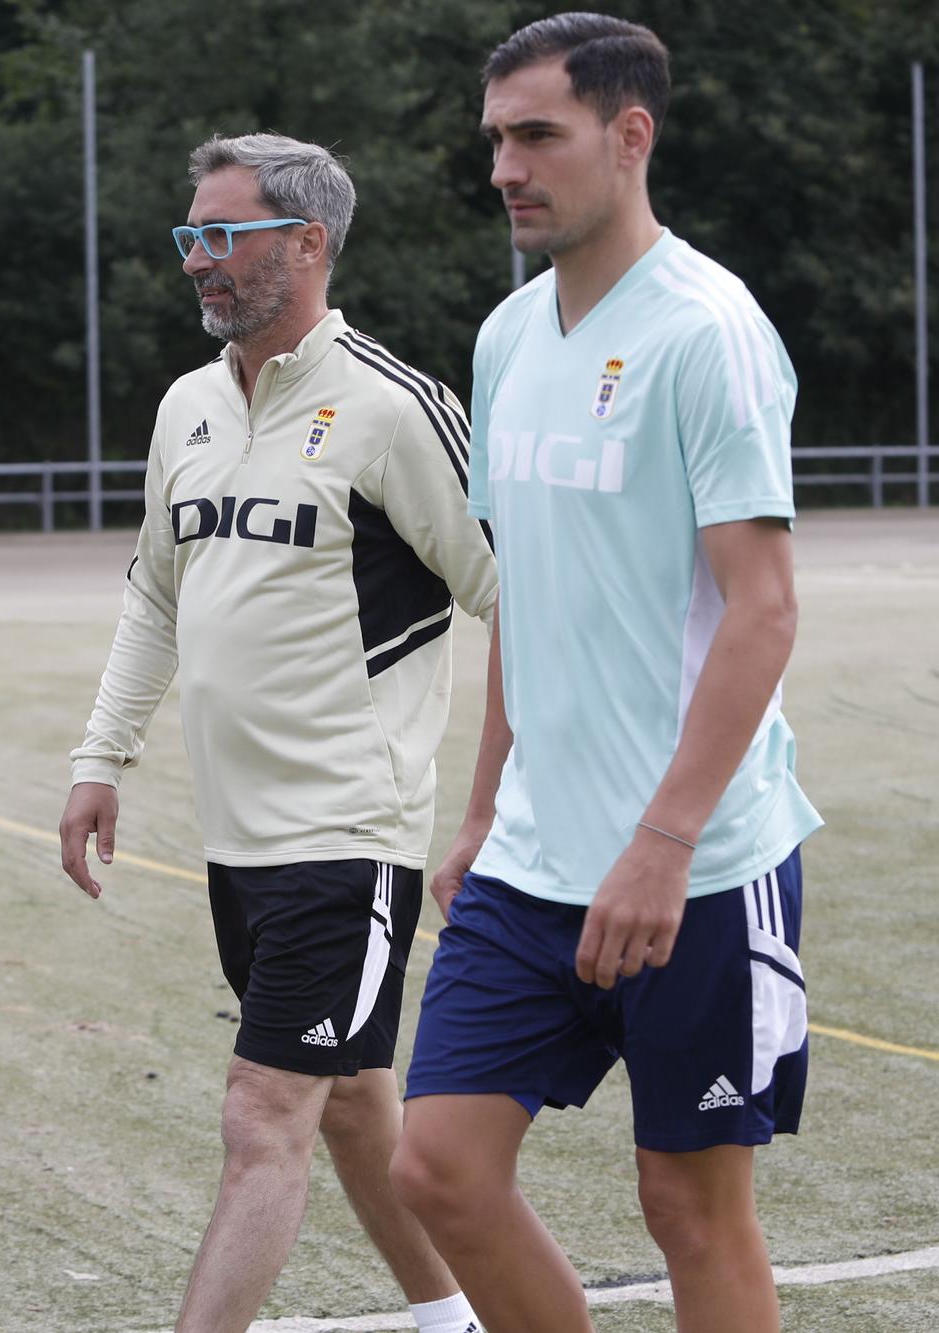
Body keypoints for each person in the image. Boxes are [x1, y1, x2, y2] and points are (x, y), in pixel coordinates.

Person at [389, 16, 821, 1333]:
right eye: (497, 141)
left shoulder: (707, 334)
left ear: (629, 137)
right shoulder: (509, 337)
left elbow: (764, 608)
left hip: (698, 862)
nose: (507, 169)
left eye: (538, 137)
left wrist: (665, 841)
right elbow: (528, 590)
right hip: (533, 860)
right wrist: (481, 810)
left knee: (691, 1208)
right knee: (437, 1168)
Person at [59, 133, 490, 1333]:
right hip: (236, 842)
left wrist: (499, 804)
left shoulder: (396, 407)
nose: (198, 260)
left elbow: (519, 595)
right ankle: (450, 1316)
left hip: (349, 830)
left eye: (222, 234)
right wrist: (100, 759)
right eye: (187, 236)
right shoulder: (186, 405)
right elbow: (153, 592)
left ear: (305, 244)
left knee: (264, 1114)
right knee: (350, 1099)